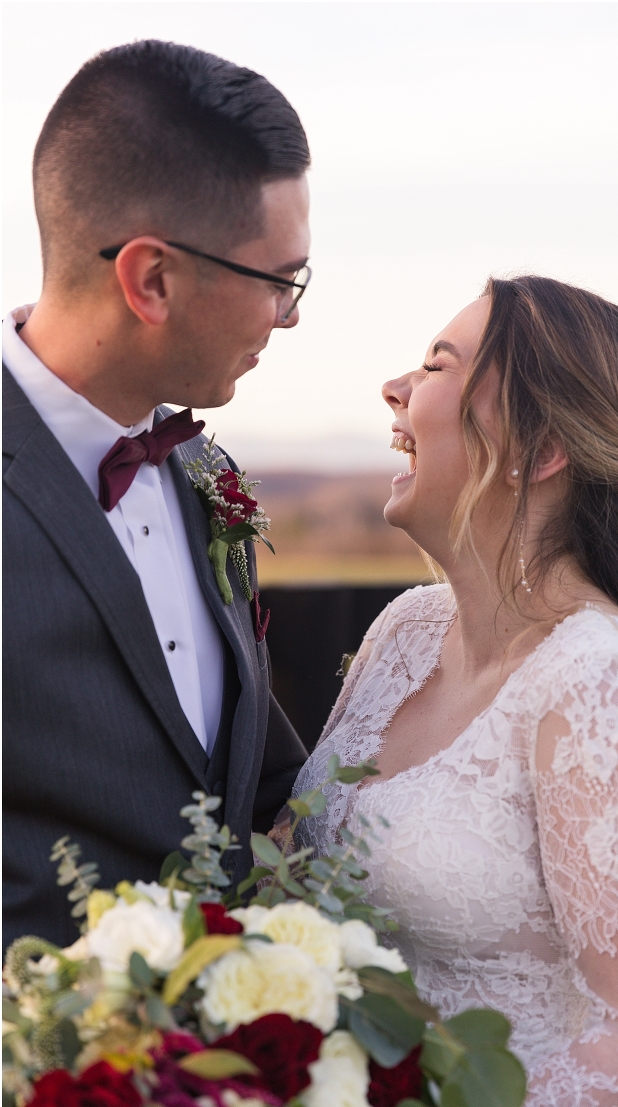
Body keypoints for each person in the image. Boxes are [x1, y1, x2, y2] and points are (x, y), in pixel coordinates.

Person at [293, 276, 618, 1107]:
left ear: (540, 448)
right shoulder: (405, 631)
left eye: (439, 365)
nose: (395, 387)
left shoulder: (597, 685)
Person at [3, 40, 311, 952]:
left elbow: (247, 783)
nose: (291, 315)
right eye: (279, 280)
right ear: (151, 278)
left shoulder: (209, 477)